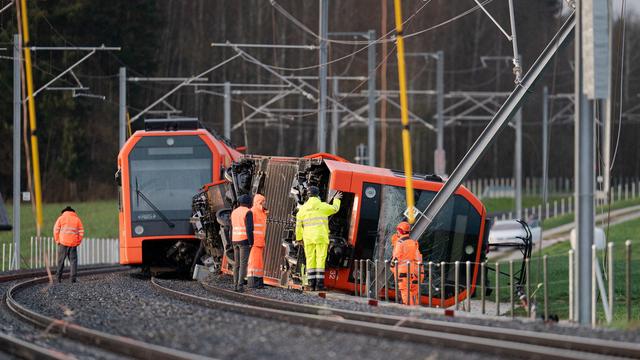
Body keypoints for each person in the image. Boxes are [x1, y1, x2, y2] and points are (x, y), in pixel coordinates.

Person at [295, 186, 342, 291]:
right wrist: (337, 199)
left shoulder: (302, 209)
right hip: (321, 237)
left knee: (310, 259)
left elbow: (298, 226)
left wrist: (299, 238)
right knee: (320, 259)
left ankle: (311, 284)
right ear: (318, 195)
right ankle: (319, 284)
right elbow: (335, 209)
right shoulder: (322, 206)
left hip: (308, 238)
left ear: (308, 195)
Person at [392, 221, 422, 305]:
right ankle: (414, 309)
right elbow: (417, 258)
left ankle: (409, 309)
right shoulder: (413, 243)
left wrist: (392, 267)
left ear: (401, 231)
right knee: (412, 292)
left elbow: (396, 257)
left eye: (398, 230)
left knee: (405, 291)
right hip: (412, 270)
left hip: (402, 270)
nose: (397, 232)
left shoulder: (400, 243)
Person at [53, 206, 84, 283]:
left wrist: (57, 240)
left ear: (64, 212)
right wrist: (78, 241)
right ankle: (73, 279)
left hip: (62, 243)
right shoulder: (77, 219)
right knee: (73, 261)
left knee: (61, 261)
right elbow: (81, 231)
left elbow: (56, 230)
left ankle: (58, 278)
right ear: (73, 212)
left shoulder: (61, 218)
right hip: (73, 243)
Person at [231, 194, 254, 292]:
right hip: (244, 240)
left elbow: (231, 227)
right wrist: (251, 242)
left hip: (234, 239)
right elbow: (249, 229)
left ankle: (235, 285)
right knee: (243, 264)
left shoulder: (234, 212)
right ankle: (240, 286)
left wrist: (231, 240)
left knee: (237, 264)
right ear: (249, 203)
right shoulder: (248, 212)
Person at [247, 194, 267, 289]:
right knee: (254, 263)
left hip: (259, 242)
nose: (264, 203)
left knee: (258, 264)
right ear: (258, 202)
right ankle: (253, 283)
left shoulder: (261, 212)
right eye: (262, 201)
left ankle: (258, 283)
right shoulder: (253, 212)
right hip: (255, 242)